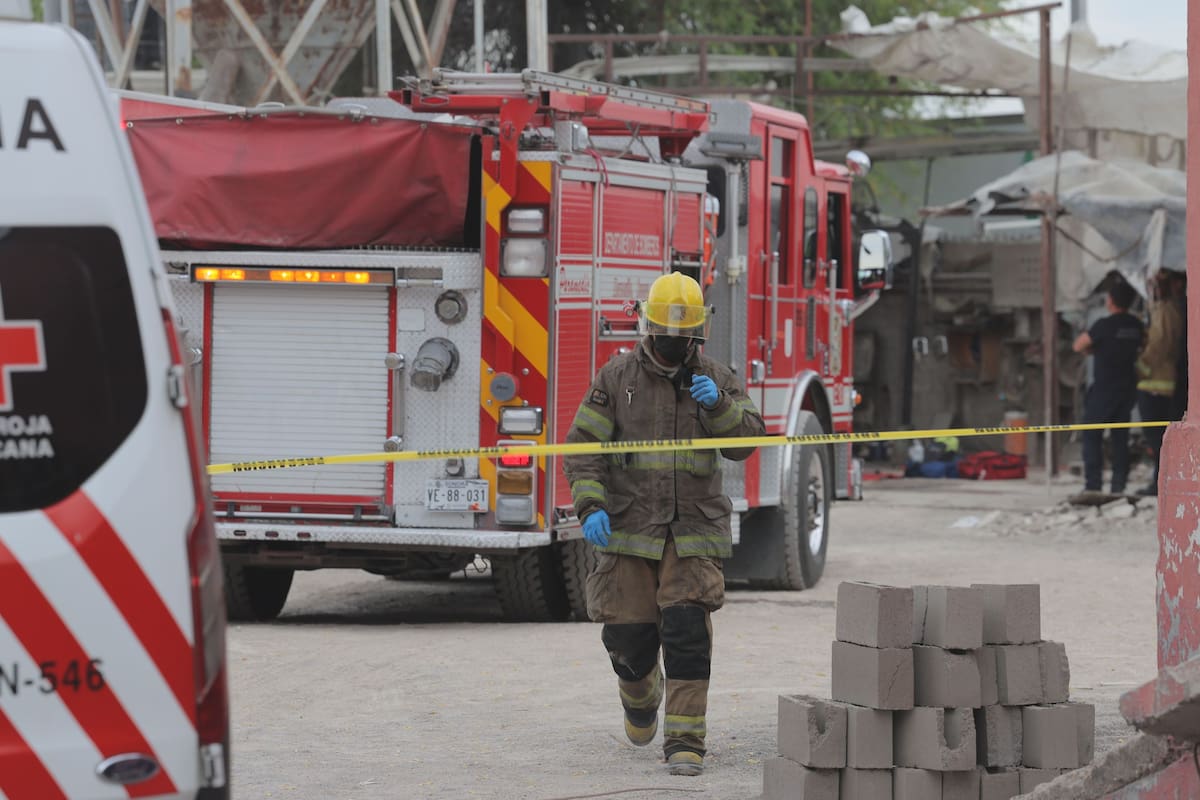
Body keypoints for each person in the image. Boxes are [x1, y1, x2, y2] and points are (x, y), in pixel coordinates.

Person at [562, 271, 765, 777]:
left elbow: (746, 439)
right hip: (629, 532)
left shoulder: (716, 378)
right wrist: (590, 507)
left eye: (686, 334)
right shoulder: (617, 380)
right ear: (649, 327)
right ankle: (639, 692)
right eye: (667, 332)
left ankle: (686, 741)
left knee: (686, 632)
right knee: (627, 642)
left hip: (693, 533)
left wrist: (717, 407)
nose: (676, 342)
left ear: (698, 333)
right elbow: (582, 449)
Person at [1072, 277, 1145, 495]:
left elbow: (1079, 345)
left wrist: (1094, 350)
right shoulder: (1136, 325)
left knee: (1091, 436)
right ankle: (1118, 485)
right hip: (1127, 388)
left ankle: (1093, 485)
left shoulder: (1104, 324)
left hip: (1104, 388)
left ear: (1111, 301)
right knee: (1119, 438)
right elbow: (1143, 347)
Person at [1134, 271, 1184, 495]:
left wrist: (1140, 368)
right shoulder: (1169, 309)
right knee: (1158, 438)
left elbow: (1159, 345)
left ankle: (1159, 483)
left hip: (1155, 382)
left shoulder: (1165, 311)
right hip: (1161, 382)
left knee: (1157, 438)